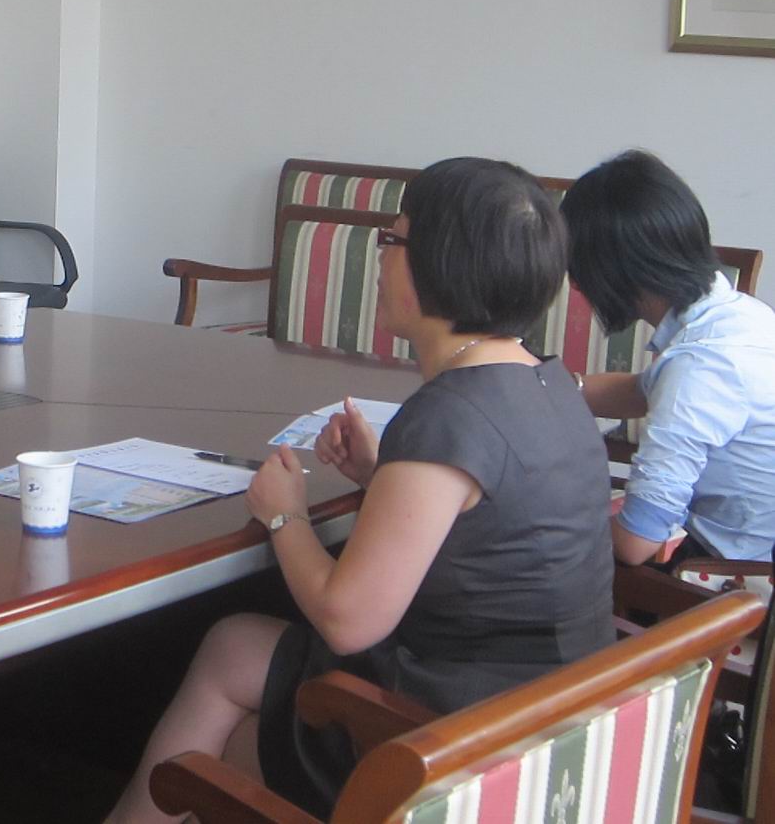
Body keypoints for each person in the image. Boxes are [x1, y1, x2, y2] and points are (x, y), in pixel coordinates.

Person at [109, 158, 614, 822]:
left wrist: (284, 515)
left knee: (222, 740)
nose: (380, 258)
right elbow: (491, 523)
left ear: (439, 262)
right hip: (549, 719)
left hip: (459, 748)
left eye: (391, 239)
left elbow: (348, 622)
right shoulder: (549, 384)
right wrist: (383, 477)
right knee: (232, 645)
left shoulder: (448, 416)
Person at [563, 149, 775, 564]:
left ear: (613, 270)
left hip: (733, 577)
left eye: (578, 269)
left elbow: (636, 542)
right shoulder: (744, 317)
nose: (576, 285)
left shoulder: (698, 367)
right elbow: (641, 391)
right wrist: (549, 385)